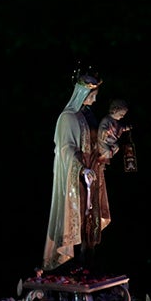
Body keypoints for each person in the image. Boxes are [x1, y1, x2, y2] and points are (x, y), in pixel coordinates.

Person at [42, 73, 105, 273]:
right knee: (76, 216)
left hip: (90, 175)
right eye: (91, 95)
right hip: (76, 177)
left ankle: (87, 264)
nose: (94, 100)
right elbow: (66, 149)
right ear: (82, 93)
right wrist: (81, 167)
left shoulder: (85, 116)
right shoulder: (67, 117)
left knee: (89, 220)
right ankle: (69, 265)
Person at [97, 99, 130, 169]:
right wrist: (105, 131)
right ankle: (101, 159)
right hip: (104, 141)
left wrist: (126, 128)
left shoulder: (117, 122)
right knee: (107, 150)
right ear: (115, 110)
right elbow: (102, 128)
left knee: (117, 147)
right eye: (121, 114)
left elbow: (121, 128)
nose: (122, 117)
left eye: (123, 115)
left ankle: (106, 158)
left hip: (112, 141)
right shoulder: (107, 120)